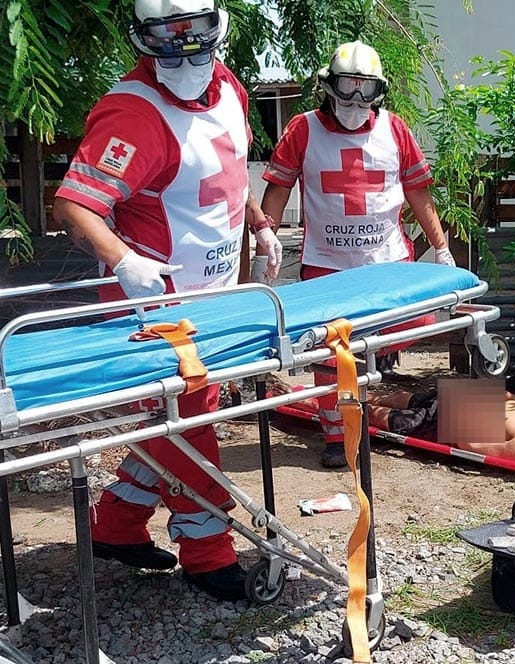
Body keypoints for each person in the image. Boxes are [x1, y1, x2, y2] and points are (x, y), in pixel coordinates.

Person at [52, 0, 283, 602]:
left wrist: (259, 222)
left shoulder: (228, 84)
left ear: (216, 28)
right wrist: (124, 261)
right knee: (189, 422)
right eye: (167, 34)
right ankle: (208, 552)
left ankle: (117, 524)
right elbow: (75, 205)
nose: (184, 47)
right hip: (152, 304)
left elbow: (229, 169)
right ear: (143, 36)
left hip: (214, 294)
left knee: (171, 423)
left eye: (195, 32)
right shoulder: (132, 114)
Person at [257, 40, 456, 469]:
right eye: (347, 87)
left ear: (378, 91)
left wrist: (440, 248)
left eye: (365, 88)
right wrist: (265, 240)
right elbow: (277, 190)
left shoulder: (395, 130)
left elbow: (418, 193)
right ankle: (338, 435)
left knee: (400, 331)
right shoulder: (303, 129)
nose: (355, 99)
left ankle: (368, 404)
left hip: (387, 262)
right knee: (330, 357)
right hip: (327, 266)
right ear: (329, 87)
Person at [367, 390, 515, 472]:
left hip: (450, 421)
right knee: (400, 397)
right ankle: (356, 391)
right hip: (479, 399)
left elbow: (471, 446)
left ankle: (336, 405)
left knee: (377, 416)